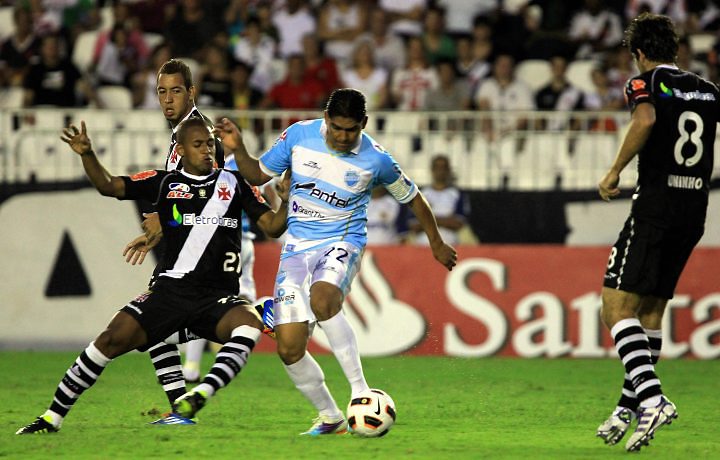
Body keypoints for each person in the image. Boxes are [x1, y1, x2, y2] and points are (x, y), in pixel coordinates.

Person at [16, 117, 289, 434]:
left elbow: (272, 226)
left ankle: (199, 394)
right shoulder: (164, 183)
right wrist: (87, 154)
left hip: (216, 298)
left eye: (209, 144)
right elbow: (109, 186)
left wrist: (285, 201)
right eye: (198, 145)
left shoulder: (236, 184)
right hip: (169, 293)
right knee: (110, 339)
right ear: (181, 150)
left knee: (249, 324)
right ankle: (51, 417)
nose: (206, 150)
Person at [213, 88, 457, 435]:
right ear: (326, 118)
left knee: (323, 299)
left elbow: (414, 198)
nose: (343, 136)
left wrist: (436, 242)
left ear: (364, 124)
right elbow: (257, 175)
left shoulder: (376, 159)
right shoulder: (299, 136)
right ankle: (330, 417)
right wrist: (238, 149)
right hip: (296, 249)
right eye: (337, 128)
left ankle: (361, 392)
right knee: (289, 348)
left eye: (351, 130)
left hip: (342, 242)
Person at [596, 13, 717, 452]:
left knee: (615, 308)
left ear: (640, 54)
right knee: (650, 311)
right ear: (676, 49)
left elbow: (645, 120)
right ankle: (628, 407)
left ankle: (652, 398)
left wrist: (614, 170)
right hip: (694, 210)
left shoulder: (644, 82)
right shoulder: (707, 89)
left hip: (656, 207)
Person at [125, 58, 230, 413]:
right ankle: (178, 408)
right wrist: (161, 218)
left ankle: (257, 315)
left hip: (199, 251)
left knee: (152, 321)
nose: (168, 99)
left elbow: (212, 193)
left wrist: (165, 219)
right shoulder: (180, 135)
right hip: (186, 247)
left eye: (176, 91)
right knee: (155, 327)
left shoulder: (201, 135)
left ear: (192, 93)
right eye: (161, 92)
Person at [410, 154, 468, 246]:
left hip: (450, 245)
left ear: (449, 170)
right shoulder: (420, 194)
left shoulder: (457, 194)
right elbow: (414, 225)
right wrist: (446, 220)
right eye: (437, 167)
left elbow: (458, 224)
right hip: (423, 245)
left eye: (443, 167)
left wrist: (428, 219)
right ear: (432, 170)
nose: (440, 171)